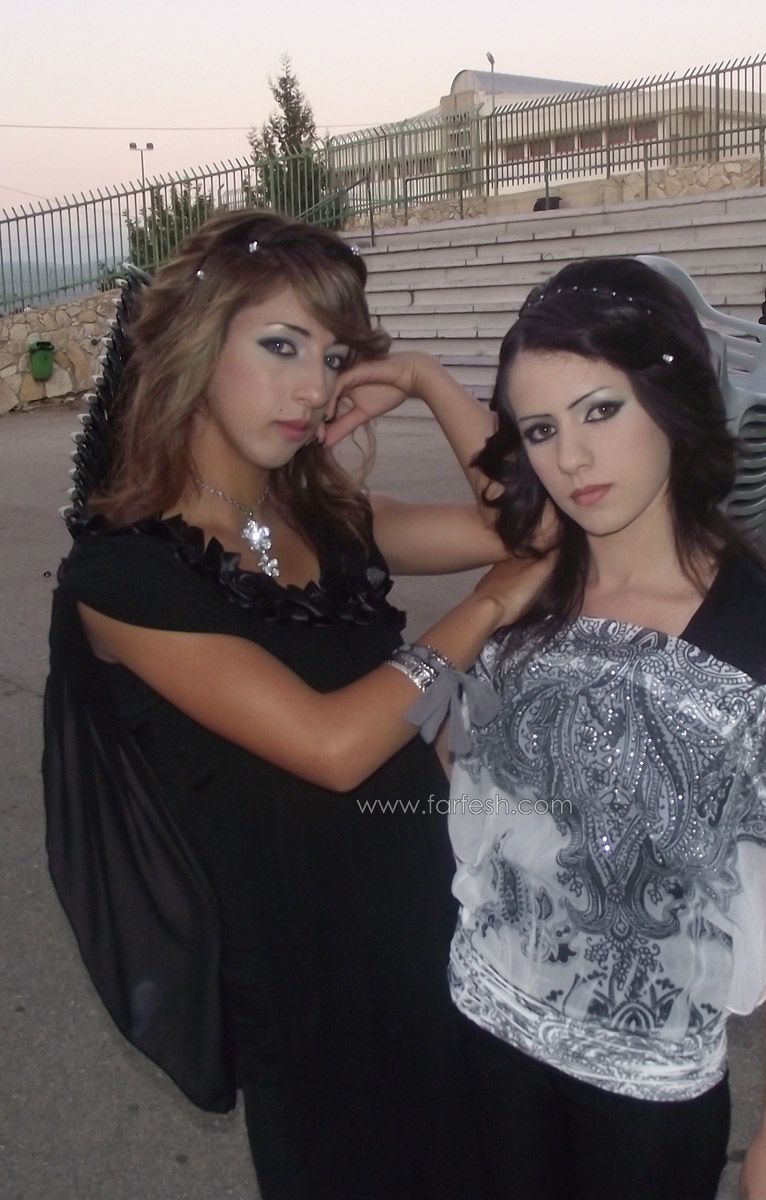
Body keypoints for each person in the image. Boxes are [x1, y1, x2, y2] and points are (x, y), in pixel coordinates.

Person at [41, 210, 549, 1200]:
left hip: (438, 921)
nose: (314, 389)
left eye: (334, 358)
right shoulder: (124, 577)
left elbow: (527, 530)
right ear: (198, 345)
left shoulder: (328, 517)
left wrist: (424, 379)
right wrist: (487, 607)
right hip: (310, 983)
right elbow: (332, 746)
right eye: (281, 346)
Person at [443, 258, 766, 1200]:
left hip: (648, 1081)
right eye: (541, 430)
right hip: (484, 1024)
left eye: (601, 411)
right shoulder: (523, 600)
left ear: (672, 401)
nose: (572, 460)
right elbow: (474, 794)